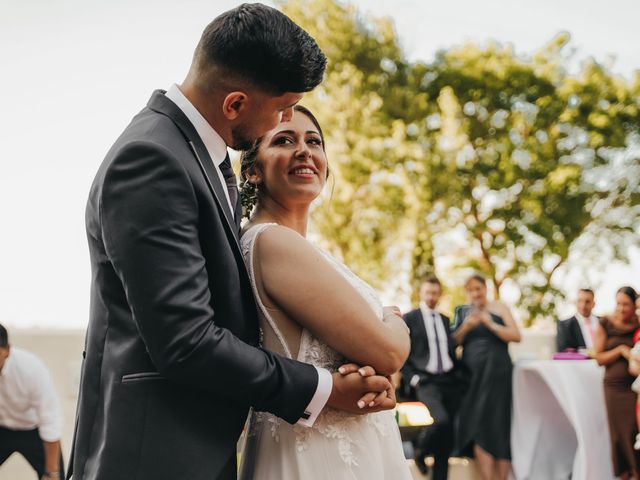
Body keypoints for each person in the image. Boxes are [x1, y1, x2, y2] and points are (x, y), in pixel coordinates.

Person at [68, 5, 396, 480]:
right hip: (155, 458)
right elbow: (186, 340)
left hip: (198, 448)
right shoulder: (151, 158)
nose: (287, 118)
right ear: (236, 104)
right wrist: (325, 387)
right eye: (283, 107)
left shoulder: (195, 152)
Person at [237, 105, 412, 479]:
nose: (304, 150)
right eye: (284, 140)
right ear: (253, 170)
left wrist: (373, 377)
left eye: (313, 141)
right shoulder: (273, 241)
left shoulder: (298, 248)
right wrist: (393, 318)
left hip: (350, 444)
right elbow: (390, 350)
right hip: (319, 456)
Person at [452, 274, 521, 480]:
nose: (475, 293)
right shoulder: (462, 311)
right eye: (471, 290)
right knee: (478, 422)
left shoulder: (500, 308)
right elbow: (453, 342)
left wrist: (490, 324)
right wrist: (467, 326)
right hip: (472, 376)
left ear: (485, 288)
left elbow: (516, 336)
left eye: (478, 289)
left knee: (500, 422)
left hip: (499, 373)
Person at [401, 276, 466, 479]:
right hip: (425, 380)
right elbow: (401, 351)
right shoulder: (410, 318)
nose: (431, 296)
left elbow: (449, 350)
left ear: (440, 294)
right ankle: (420, 449)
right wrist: (413, 379)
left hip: (449, 380)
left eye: (435, 293)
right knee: (442, 421)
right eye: (428, 292)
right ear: (421, 293)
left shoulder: (445, 320)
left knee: (447, 437)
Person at [0, 324, 65, 480]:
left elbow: (50, 419)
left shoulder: (31, 369)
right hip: (1, 427)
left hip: (33, 430)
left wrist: (52, 473)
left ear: (7, 350)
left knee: (56, 477)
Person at [594, 286, 640, 480]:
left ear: (634, 306)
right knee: (617, 435)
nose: (621, 308)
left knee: (633, 432)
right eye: (618, 303)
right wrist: (621, 350)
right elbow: (599, 357)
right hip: (613, 387)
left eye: (626, 304)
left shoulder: (638, 323)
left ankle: (637, 472)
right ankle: (623, 474)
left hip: (634, 386)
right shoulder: (605, 323)